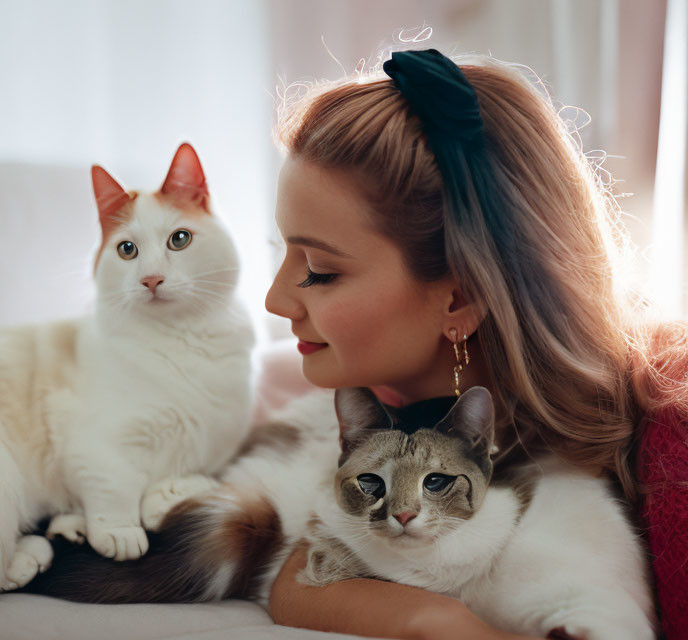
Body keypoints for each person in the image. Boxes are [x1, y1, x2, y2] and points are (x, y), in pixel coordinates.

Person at [262, 48, 688, 640]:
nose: (275, 301)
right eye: (280, 254)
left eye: (319, 269)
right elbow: (302, 578)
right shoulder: (378, 402)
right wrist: (433, 620)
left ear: (458, 300)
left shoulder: (667, 442)